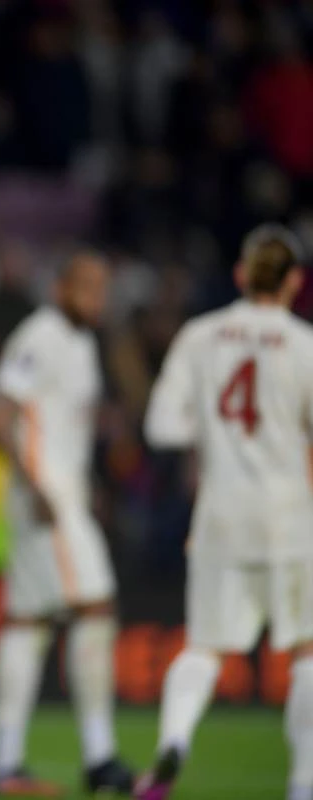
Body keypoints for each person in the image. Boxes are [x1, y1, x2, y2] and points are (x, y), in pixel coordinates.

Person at [136, 224, 313, 800]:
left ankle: (175, 741)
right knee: (306, 651)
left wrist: (212, 437)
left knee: (205, 647)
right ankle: (303, 782)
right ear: (295, 281)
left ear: (241, 275)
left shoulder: (200, 336)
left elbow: (162, 426)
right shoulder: (304, 344)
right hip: (290, 518)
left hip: (219, 516)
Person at [0, 253, 135, 796]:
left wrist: (85, 484)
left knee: (28, 622)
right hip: (45, 497)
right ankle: (99, 754)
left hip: (60, 493)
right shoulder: (41, 335)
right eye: (87, 287)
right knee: (96, 607)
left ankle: (4, 763)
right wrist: (35, 484)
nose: (97, 299)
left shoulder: (82, 341)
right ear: (61, 288)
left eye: (102, 288)